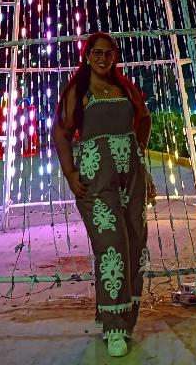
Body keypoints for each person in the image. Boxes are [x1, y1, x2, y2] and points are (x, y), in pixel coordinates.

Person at [52, 32, 154, 358]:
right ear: (87, 56)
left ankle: (125, 321)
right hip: (97, 181)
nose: (103, 59)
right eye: (97, 53)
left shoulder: (125, 88)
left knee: (135, 244)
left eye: (109, 54)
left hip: (132, 179)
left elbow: (144, 120)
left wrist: (140, 157)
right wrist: (70, 173)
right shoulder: (79, 91)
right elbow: (61, 131)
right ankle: (113, 328)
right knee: (111, 247)